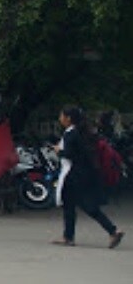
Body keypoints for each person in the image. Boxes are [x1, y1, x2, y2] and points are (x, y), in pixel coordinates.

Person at [52, 105, 124, 248]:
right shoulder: (82, 132)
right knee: (72, 205)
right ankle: (69, 236)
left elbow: (71, 155)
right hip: (84, 174)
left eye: (61, 116)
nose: (60, 118)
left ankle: (112, 230)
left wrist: (58, 151)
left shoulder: (71, 134)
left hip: (73, 175)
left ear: (68, 118)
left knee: (82, 206)